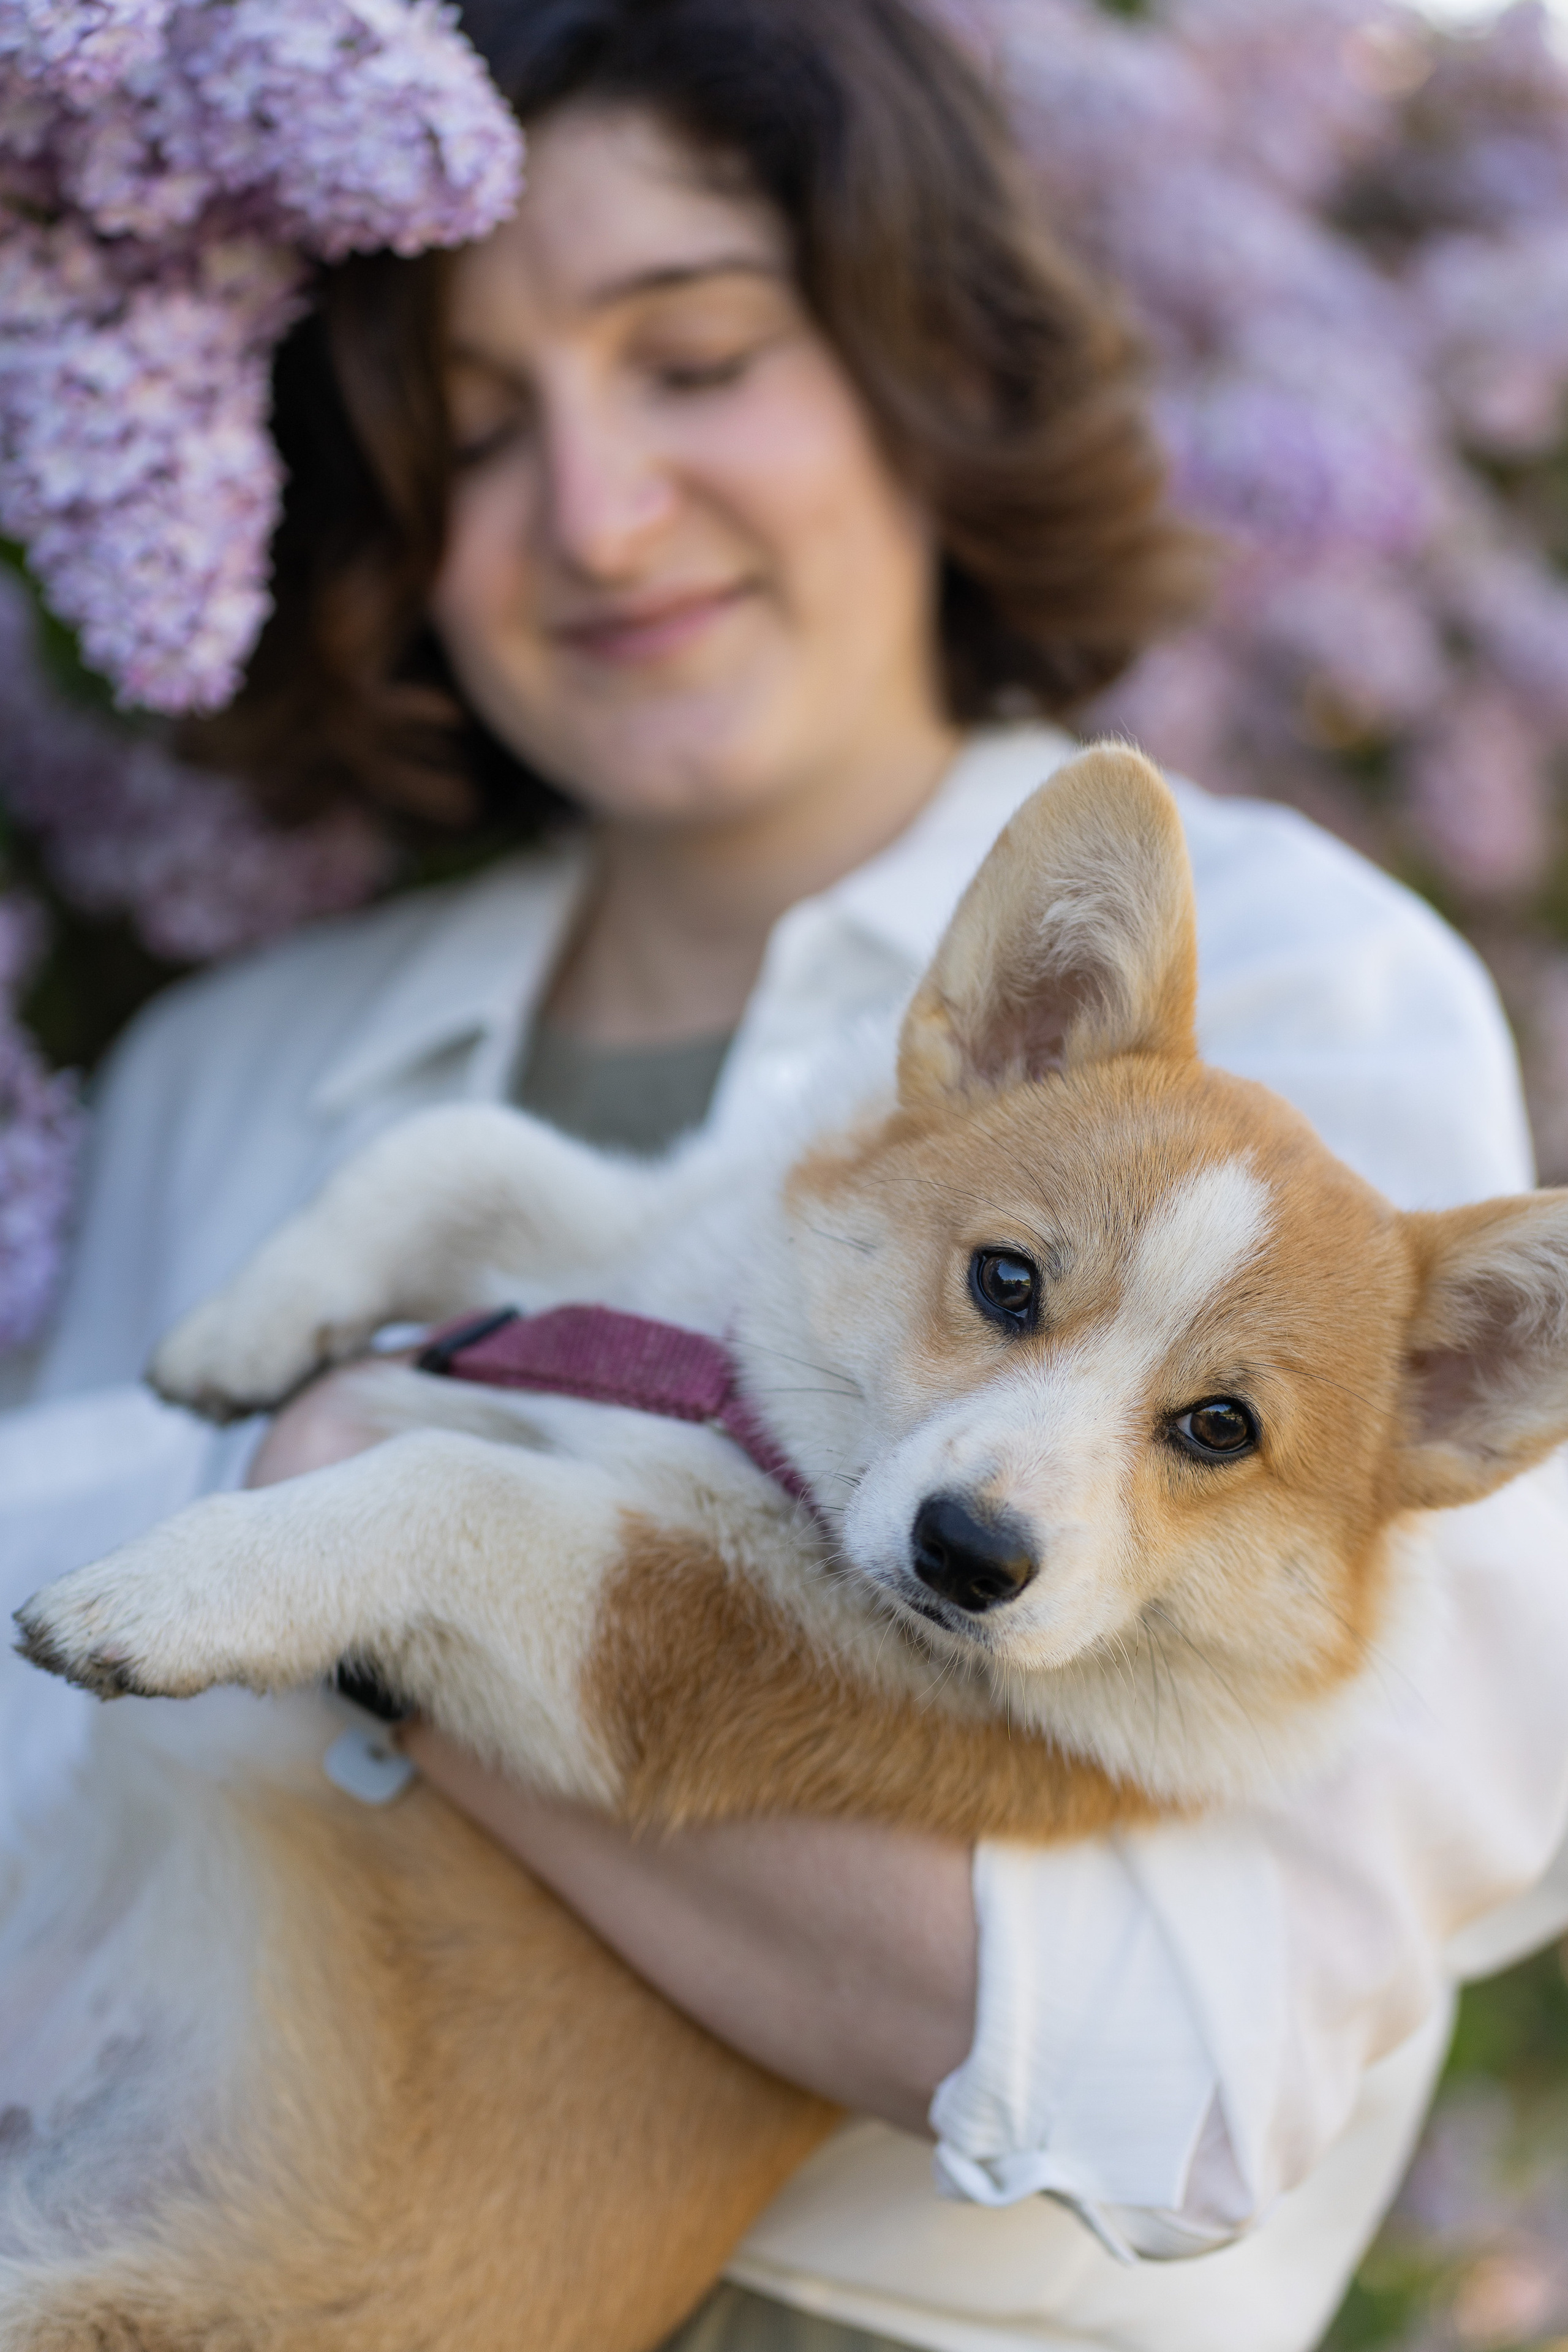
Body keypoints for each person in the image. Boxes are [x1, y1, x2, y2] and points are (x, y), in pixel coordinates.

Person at [6, 2, 1568, 2346]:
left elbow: (1182, 2079)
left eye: (700, 358)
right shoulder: (233, 1075)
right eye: (477, 423)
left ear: (928, 362)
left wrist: (357, 1514)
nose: (600, 512)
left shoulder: (1317, 1001)